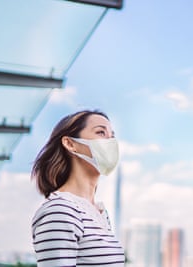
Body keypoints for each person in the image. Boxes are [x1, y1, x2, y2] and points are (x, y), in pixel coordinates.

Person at [31, 110, 125, 267]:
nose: (110, 142)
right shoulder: (59, 210)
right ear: (70, 143)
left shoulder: (98, 213)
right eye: (101, 132)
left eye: (112, 136)